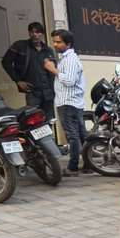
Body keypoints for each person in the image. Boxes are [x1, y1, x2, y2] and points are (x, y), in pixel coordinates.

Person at [45, 29, 88, 176]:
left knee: (73, 136)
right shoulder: (66, 58)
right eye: (54, 42)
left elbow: (69, 81)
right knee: (81, 135)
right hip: (72, 102)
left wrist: (53, 70)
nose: (55, 45)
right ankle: (88, 165)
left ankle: (73, 167)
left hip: (68, 102)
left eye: (58, 42)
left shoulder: (70, 59)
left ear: (68, 44)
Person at [1, 22, 57, 121]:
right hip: (32, 91)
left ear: (42, 34)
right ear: (29, 33)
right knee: (33, 120)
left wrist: (56, 90)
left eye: (37, 32)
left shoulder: (48, 50)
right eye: (32, 32)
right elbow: (6, 62)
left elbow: (53, 71)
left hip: (48, 92)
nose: (34, 34)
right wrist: (18, 80)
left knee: (49, 120)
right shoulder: (20, 46)